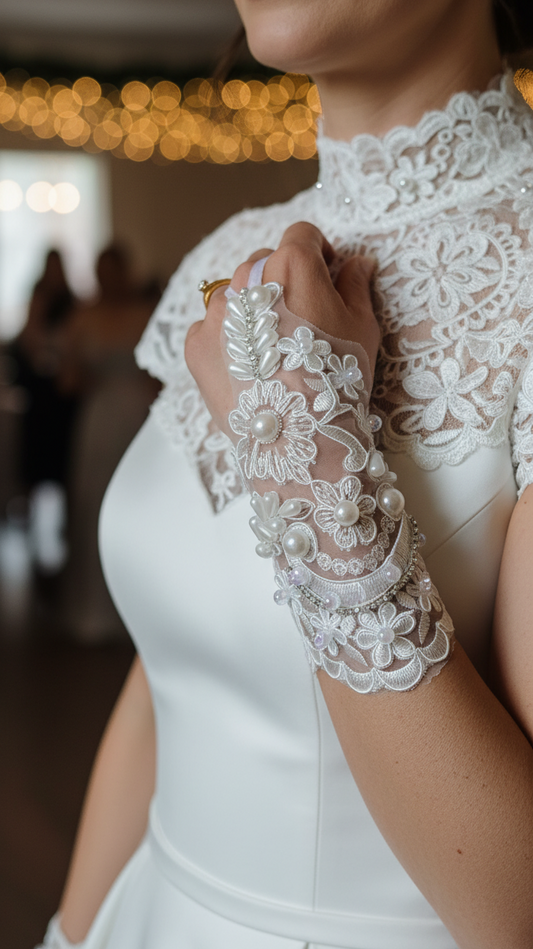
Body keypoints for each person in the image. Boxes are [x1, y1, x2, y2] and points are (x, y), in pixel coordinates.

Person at [39, 1, 533, 947]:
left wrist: (308, 461)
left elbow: (515, 908)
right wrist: (68, 931)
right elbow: (167, 678)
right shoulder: (222, 259)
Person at [59, 246, 159, 642]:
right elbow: (67, 380)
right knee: (95, 500)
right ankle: (95, 610)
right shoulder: (83, 317)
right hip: (100, 417)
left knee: (143, 499)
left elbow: (162, 374)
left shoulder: (146, 313)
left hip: (140, 414)